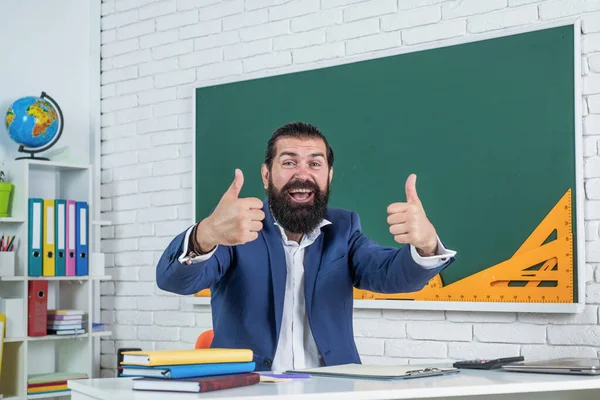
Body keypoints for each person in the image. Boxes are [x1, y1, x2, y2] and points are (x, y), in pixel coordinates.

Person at [156, 121, 456, 372]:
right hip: (249, 389)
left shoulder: (344, 229)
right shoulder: (237, 229)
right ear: (265, 175)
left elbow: (392, 275)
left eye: (315, 163)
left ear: (329, 175)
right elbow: (175, 281)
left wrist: (427, 244)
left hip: (332, 389)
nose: (302, 174)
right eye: (288, 162)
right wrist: (205, 234)